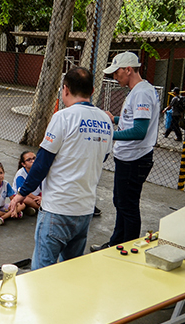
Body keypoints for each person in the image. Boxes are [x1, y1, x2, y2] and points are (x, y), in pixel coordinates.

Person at [8, 67, 113, 270]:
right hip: (84, 210)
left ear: (65, 89)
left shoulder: (62, 117)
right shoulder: (106, 121)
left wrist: (22, 193)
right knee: (70, 271)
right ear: (92, 90)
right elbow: (102, 156)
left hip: (58, 209)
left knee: (42, 271)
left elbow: (42, 163)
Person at [94, 52, 161, 250]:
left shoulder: (141, 93)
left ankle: (127, 248)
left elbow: (140, 131)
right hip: (130, 158)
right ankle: (117, 243)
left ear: (128, 70)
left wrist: (109, 135)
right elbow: (134, 122)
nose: (115, 77)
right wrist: (113, 118)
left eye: (117, 73)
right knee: (121, 201)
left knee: (127, 205)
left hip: (135, 158)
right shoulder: (139, 90)